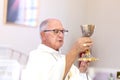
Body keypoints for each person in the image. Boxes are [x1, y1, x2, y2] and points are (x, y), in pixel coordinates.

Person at [21, 18, 93, 80]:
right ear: (43, 35)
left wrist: (82, 71)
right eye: (55, 31)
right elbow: (53, 77)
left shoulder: (63, 58)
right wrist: (74, 50)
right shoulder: (36, 57)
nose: (61, 35)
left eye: (62, 31)